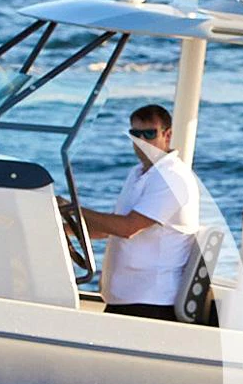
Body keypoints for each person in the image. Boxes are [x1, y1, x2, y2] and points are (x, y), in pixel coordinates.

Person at [77, 102, 207, 320]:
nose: (143, 140)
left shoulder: (172, 177)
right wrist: (63, 228)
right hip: (124, 297)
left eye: (149, 133)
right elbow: (110, 229)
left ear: (167, 135)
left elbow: (128, 228)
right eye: (136, 134)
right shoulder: (138, 173)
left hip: (152, 301)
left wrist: (74, 210)